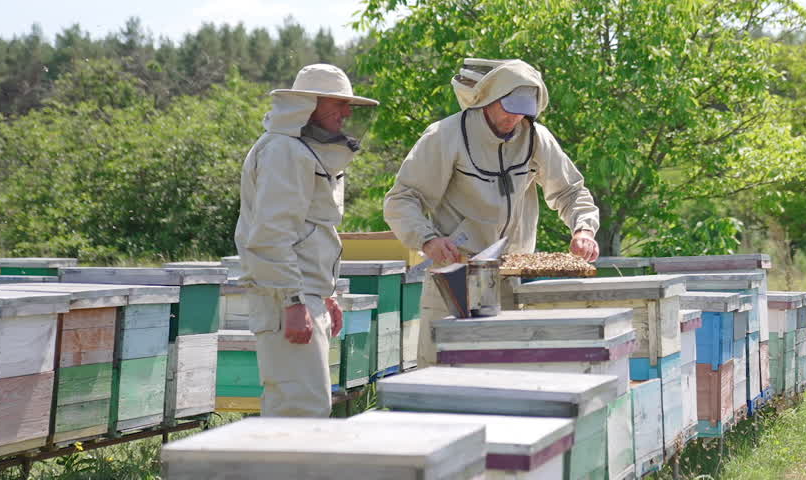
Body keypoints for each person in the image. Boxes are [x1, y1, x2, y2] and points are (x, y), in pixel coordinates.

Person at [385, 58, 600, 366]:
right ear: (487, 100)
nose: (515, 119)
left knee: (505, 376)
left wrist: (583, 229)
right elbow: (402, 199)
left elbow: (570, 191)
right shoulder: (444, 136)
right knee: (444, 378)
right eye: (509, 108)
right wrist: (428, 239)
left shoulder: (536, 137)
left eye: (524, 111)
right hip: (453, 276)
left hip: (508, 276)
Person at [234, 63, 378, 417]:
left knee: (305, 408)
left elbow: (311, 230)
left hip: (301, 295)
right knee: (299, 411)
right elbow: (271, 234)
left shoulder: (304, 150)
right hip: (287, 297)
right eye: (337, 103)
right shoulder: (284, 150)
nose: (346, 113)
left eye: (349, 105)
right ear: (308, 104)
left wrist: (323, 295)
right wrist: (293, 300)